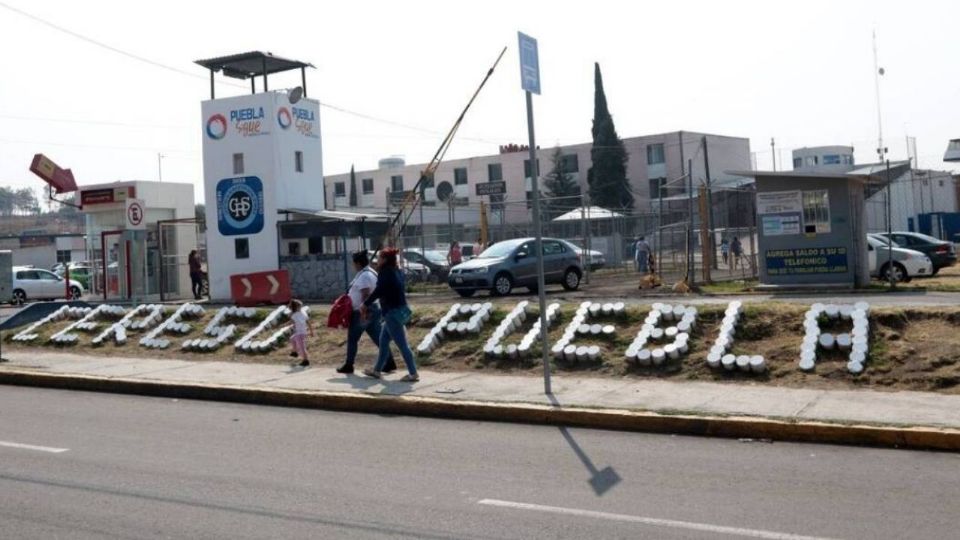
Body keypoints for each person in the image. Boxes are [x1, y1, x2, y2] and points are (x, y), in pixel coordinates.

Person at [362, 248, 419, 382]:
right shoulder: (396, 271)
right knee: (383, 342)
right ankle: (376, 370)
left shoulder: (385, 273)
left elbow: (378, 291)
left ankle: (413, 373)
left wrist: (365, 303)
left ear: (385, 260)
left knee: (402, 345)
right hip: (397, 311)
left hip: (392, 313)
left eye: (380, 258)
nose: (378, 260)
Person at [337, 251, 397, 374]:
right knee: (378, 338)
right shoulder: (370, 273)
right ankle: (390, 362)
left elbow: (365, 294)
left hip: (362, 311)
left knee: (352, 338)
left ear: (358, 263)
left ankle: (349, 365)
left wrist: (364, 311)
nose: (353, 265)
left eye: (354, 263)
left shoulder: (364, 276)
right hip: (373, 309)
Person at [288, 299, 314, 368]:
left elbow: (293, 323)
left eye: (300, 306)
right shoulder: (302, 313)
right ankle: (295, 352)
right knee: (292, 339)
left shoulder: (295, 315)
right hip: (301, 333)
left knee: (302, 347)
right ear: (295, 308)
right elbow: (307, 322)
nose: (300, 308)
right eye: (299, 306)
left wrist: (311, 331)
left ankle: (305, 361)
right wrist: (311, 331)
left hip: (300, 333)